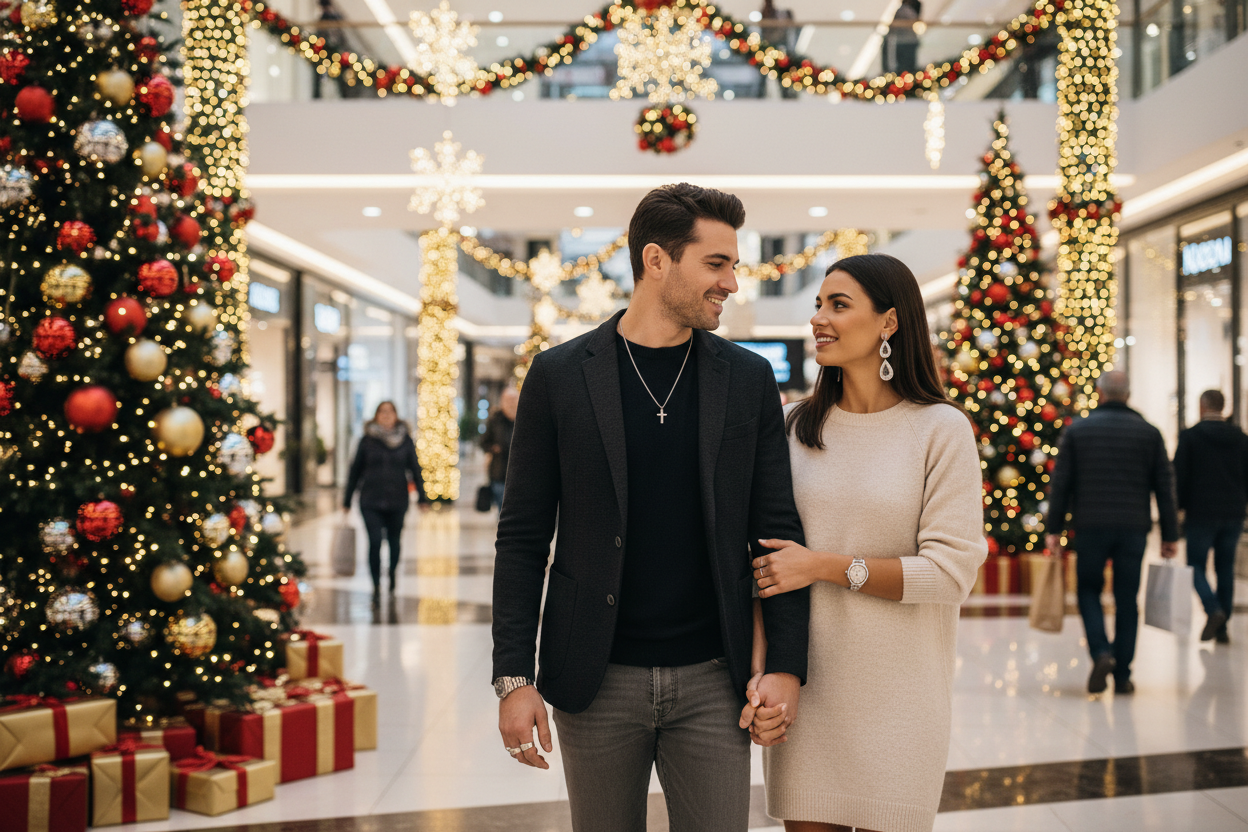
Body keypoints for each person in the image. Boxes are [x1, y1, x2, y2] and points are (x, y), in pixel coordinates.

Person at [491, 183, 810, 832]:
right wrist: (513, 676)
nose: (731, 284)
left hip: (713, 679)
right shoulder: (559, 376)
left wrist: (784, 664)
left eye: (734, 266)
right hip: (594, 679)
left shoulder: (747, 380)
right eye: (716, 265)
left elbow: (775, 533)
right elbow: (523, 536)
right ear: (657, 261)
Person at [748, 253, 986, 832]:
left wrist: (826, 567)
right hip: (807, 695)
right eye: (817, 305)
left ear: (890, 321)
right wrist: (761, 673)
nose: (819, 320)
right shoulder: (792, 426)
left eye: (839, 304)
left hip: (902, 702)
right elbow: (759, 562)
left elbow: (950, 573)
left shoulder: (940, 429)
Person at [1045, 370, 1180, 695]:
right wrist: (1170, 535)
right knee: (1127, 600)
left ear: (1099, 393)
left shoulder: (1078, 431)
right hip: (1133, 528)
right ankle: (1123, 675)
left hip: (1090, 526)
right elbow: (1164, 487)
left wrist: (1053, 529)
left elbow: (1061, 484)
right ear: (1128, 395)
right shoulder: (1150, 433)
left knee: (1089, 591)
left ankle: (1101, 652)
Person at [1174, 389, 1248, 643]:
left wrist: (1179, 507)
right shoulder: (1241, 438)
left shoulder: (1191, 437)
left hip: (1201, 512)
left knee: (1195, 565)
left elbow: (1180, 476)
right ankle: (1222, 627)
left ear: (1202, 407)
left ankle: (1212, 608)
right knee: (1225, 568)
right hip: (1233, 512)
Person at [343, 401, 424, 598]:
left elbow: (415, 469)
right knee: (375, 541)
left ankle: (393, 573)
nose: (386, 415)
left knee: (395, 541)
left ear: (396, 415)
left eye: (390, 412)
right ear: (376, 415)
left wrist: (423, 497)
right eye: (382, 411)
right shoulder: (366, 440)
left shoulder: (405, 440)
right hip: (370, 500)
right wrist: (346, 500)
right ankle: (376, 583)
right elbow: (355, 471)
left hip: (397, 499)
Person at [481, 387, 518, 510]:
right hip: (499, 472)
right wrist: (494, 449)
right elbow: (483, 442)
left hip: (519, 474)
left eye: (514, 399)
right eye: (508, 399)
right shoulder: (495, 419)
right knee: (503, 509)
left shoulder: (525, 419)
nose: (511, 403)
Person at [882, 0, 922, 75]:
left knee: (907, 69)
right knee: (905, 69)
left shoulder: (911, 8)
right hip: (903, 42)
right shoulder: (903, 10)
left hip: (906, 42)